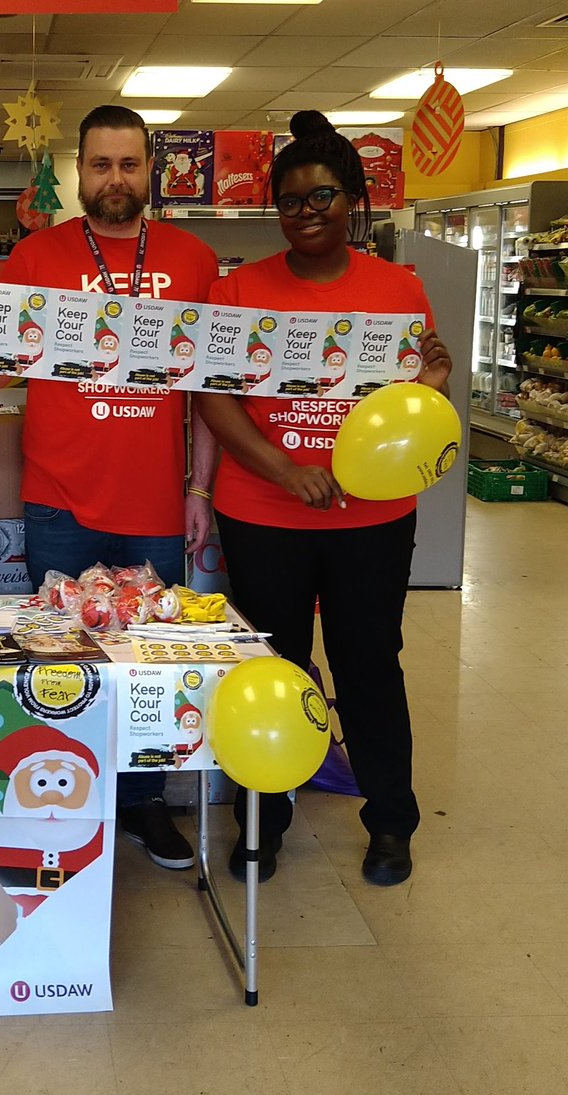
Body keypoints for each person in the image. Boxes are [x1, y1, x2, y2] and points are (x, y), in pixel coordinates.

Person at [0, 104, 220, 871]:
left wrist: (199, 492)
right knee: (62, 657)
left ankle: (141, 805)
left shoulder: (194, 259)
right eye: (100, 165)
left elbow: (210, 393)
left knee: (146, 664)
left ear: (150, 171)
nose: (114, 179)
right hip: (59, 495)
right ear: (78, 171)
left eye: (129, 164)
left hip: (156, 503)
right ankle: (59, 795)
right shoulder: (35, 254)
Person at [195, 110, 453, 888]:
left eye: (323, 198)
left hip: (372, 518)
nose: (307, 213)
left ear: (354, 202)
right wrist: (281, 467)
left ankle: (391, 821)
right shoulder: (238, 290)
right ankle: (263, 823)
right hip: (264, 512)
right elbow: (214, 396)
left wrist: (432, 386)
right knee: (276, 664)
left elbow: (417, 392)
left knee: (370, 662)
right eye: (291, 201)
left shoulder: (399, 287)